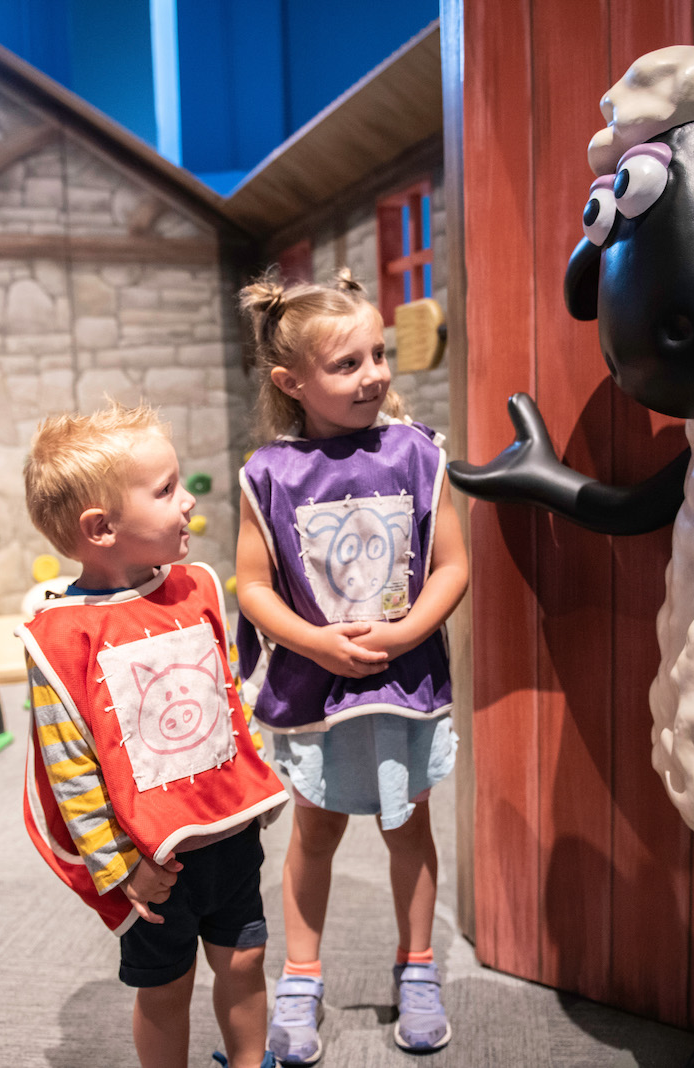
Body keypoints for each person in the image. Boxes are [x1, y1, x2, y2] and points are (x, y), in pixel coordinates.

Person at [234, 269, 470, 1063]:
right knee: (316, 832)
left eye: (378, 355)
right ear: (290, 382)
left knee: (409, 827)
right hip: (315, 693)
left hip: (404, 690)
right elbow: (253, 586)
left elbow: (452, 569)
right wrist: (312, 641)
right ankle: (300, 979)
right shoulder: (268, 475)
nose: (374, 375)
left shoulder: (418, 453)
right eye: (348, 364)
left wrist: (406, 635)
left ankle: (419, 970)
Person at [19, 403, 288, 1068]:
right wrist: (121, 871)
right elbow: (70, 769)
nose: (187, 500)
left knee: (247, 957)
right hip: (154, 865)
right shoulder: (61, 638)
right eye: (165, 490)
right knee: (166, 989)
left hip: (228, 837)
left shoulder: (195, 587)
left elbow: (224, 694)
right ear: (101, 528)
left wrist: (251, 784)